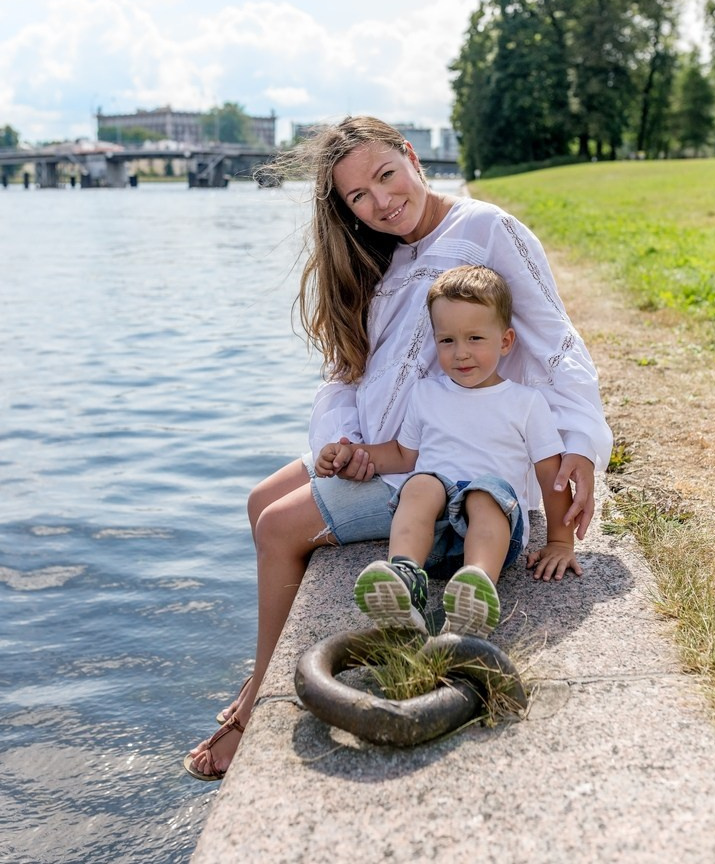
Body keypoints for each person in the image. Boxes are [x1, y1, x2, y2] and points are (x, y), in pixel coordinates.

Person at [184, 116, 612, 781]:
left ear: (411, 156)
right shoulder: (387, 255)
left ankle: (255, 702)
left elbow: (556, 341)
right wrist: (344, 445)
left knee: (278, 526)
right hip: (387, 451)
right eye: (358, 196)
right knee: (260, 497)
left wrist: (579, 441)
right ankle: (262, 668)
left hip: (446, 463)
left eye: (386, 175)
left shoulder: (486, 231)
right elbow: (350, 372)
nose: (380, 202)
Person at [316, 264, 579, 639]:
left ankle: (476, 589)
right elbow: (401, 455)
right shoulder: (426, 393)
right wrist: (352, 454)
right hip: (435, 539)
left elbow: (550, 473)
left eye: (475, 338)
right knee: (421, 483)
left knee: (484, 492)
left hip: (493, 534)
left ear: (505, 342)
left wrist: (559, 541)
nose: (461, 354)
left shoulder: (525, 402)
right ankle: (405, 577)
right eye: (447, 341)